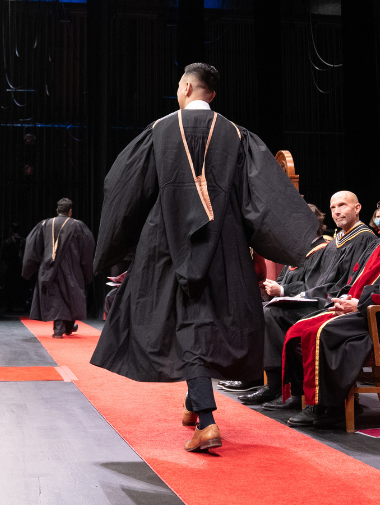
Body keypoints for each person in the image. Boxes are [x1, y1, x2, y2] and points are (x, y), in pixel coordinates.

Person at [91, 62, 317, 452]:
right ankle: (194, 403)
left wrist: (119, 244)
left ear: (186, 87)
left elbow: (124, 189)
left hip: (165, 241)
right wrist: (288, 241)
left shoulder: (159, 131)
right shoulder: (237, 135)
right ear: (213, 94)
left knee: (186, 321)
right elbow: (262, 200)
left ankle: (208, 420)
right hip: (223, 243)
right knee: (205, 322)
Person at [282, 186, 380, 428]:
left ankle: (329, 407)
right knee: (298, 329)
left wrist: (360, 305)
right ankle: (311, 398)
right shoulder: (378, 243)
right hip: (363, 312)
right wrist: (345, 299)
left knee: (322, 332)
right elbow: (356, 282)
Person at [238, 191, 378, 409]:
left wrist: (303, 295)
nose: (337, 211)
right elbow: (321, 282)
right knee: (269, 311)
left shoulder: (364, 238)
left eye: (342, 205)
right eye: (333, 207)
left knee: (273, 313)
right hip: (320, 298)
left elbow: (351, 283)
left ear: (357, 208)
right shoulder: (336, 242)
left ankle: (290, 390)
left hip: (335, 303)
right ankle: (280, 386)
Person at [22, 198, 95, 338]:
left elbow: (32, 248)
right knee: (70, 296)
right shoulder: (78, 226)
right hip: (72, 268)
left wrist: (29, 269)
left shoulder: (44, 224)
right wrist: (87, 271)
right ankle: (60, 329)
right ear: (70, 211)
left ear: (57, 210)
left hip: (50, 267)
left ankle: (66, 328)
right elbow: (87, 249)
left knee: (56, 297)